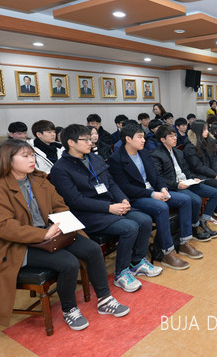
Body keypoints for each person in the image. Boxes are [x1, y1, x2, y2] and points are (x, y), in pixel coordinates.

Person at [0, 140, 128, 331]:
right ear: (8, 160)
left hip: (50, 233)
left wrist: (60, 224)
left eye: (32, 155)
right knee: (68, 262)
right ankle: (69, 310)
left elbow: (59, 206)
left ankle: (105, 299)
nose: (32, 160)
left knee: (92, 248)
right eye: (25, 156)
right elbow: (3, 227)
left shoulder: (39, 180)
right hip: (16, 244)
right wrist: (43, 234)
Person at [50, 124, 157, 294]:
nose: (91, 142)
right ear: (70, 142)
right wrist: (109, 208)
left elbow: (111, 183)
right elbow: (75, 201)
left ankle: (137, 262)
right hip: (86, 214)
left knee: (145, 220)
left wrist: (122, 199)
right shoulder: (60, 169)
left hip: (109, 205)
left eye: (90, 139)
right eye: (85, 140)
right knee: (130, 227)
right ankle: (121, 273)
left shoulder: (95, 159)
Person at [107, 123, 200, 270]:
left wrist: (162, 188)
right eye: (140, 137)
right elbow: (125, 187)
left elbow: (156, 175)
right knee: (161, 207)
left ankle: (184, 242)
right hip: (135, 197)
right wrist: (152, 194)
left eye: (143, 137)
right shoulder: (116, 159)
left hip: (154, 191)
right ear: (128, 139)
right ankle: (167, 252)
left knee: (185, 200)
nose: (143, 140)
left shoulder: (144, 153)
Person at [150, 124, 217, 236]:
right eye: (171, 136)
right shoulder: (156, 155)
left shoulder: (178, 152)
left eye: (175, 135)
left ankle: (203, 221)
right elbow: (158, 177)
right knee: (196, 200)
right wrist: (176, 184)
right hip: (174, 186)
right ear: (163, 139)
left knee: (215, 193)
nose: (175, 138)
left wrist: (192, 177)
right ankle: (194, 228)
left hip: (186, 182)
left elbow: (186, 170)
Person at [184, 121, 217, 224]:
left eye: (207, 129)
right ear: (198, 131)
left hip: (210, 173)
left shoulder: (209, 142)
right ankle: (211, 212)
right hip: (199, 176)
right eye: (204, 130)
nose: (207, 131)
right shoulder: (190, 147)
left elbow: (214, 161)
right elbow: (198, 167)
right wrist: (214, 175)